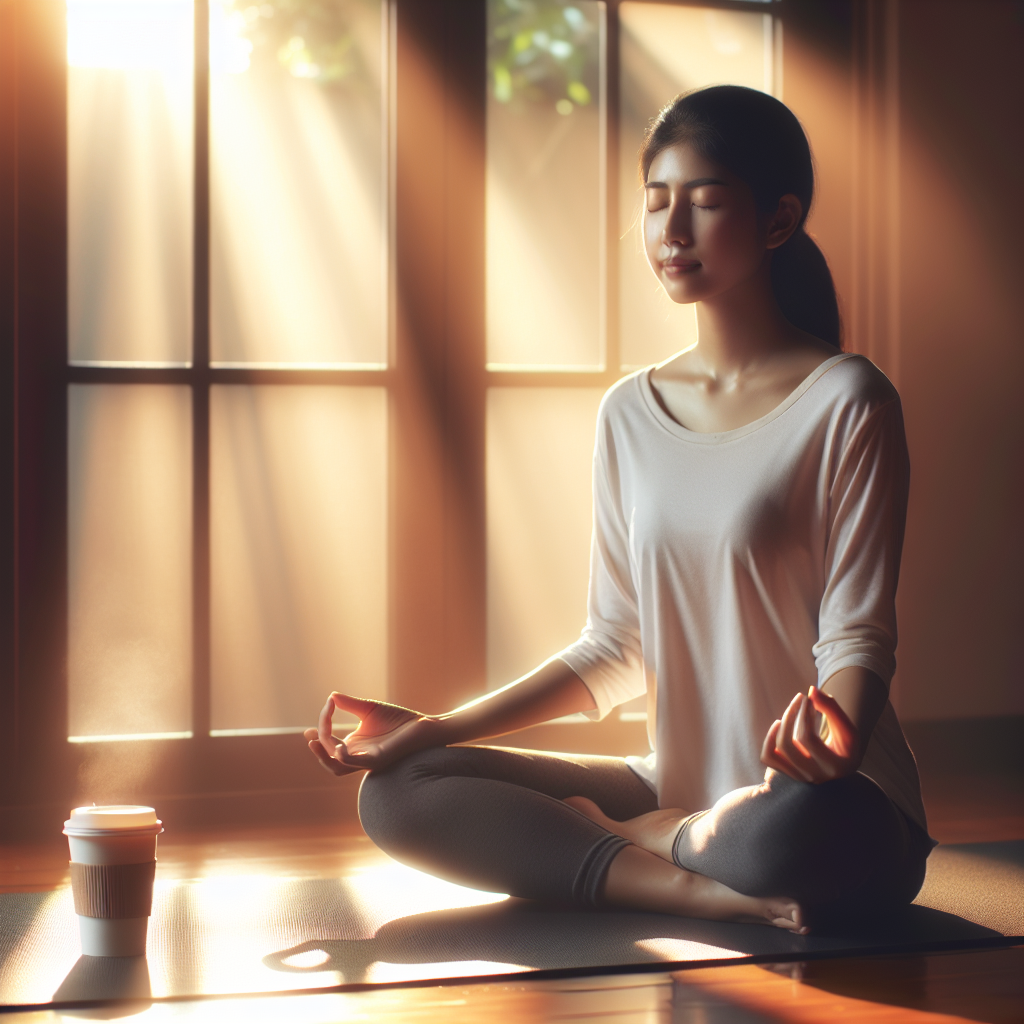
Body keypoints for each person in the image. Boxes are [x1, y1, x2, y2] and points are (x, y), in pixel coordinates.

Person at [304, 85, 933, 933]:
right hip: (677, 784)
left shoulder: (849, 399)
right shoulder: (630, 413)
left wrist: (838, 742)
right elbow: (614, 647)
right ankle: (682, 882)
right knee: (400, 789)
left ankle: (645, 842)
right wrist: (437, 727)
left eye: (705, 202)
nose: (672, 230)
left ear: (779, 220)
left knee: (804, 832)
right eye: (656, 200)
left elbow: (856, 634)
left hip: (818, 802)